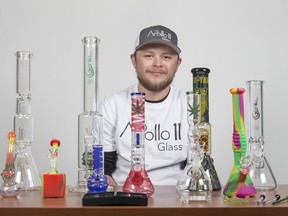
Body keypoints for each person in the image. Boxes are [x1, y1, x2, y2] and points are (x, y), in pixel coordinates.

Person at [99, 25, 188, 186]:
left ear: (178, 63)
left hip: (179, 199)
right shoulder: (112, 105)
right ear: (134, 60)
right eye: (148, 56)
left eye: (166, 57)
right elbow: (103, 169)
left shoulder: (190, 105)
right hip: (126, 198)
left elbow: (199, 165)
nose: (158, 63)